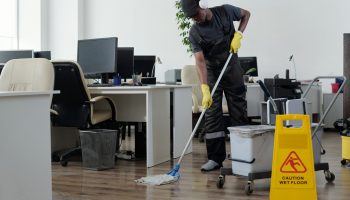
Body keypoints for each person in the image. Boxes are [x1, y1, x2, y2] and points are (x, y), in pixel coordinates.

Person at [181, 0, 250, 171]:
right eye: (192, 17)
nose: (195, 19)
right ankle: (214, 159)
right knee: (212, 114)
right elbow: (200, 61)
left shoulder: (226, 11)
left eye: (196, 14)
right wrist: (205, 89)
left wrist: (239, 34)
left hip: (231, 67)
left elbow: (246, 14)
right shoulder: (194, 32)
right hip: (212, 72)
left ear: (202, 6)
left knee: (238, 110)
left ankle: (243, 156)